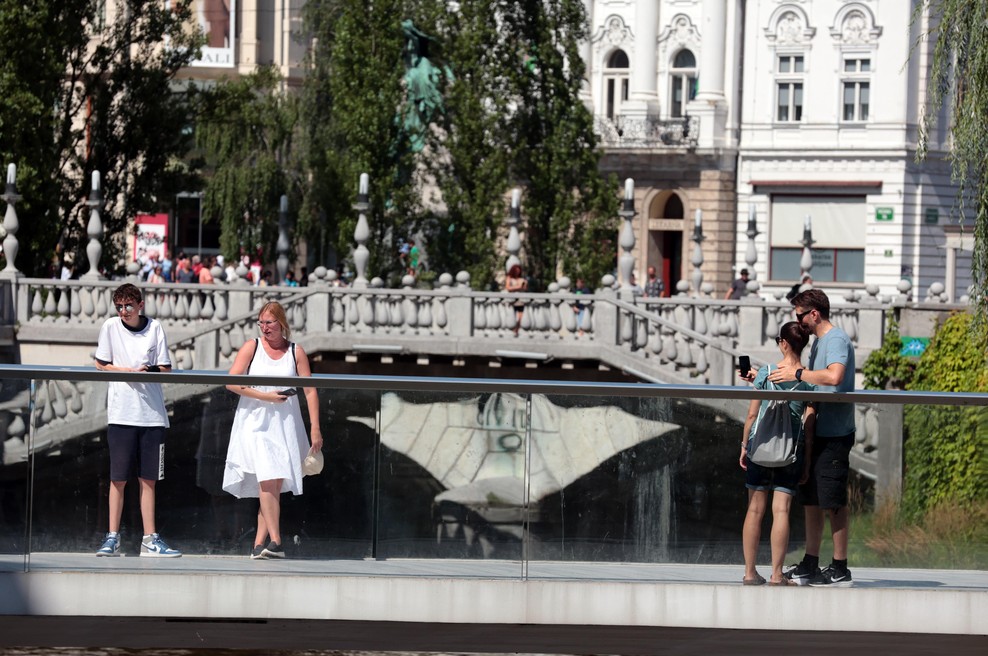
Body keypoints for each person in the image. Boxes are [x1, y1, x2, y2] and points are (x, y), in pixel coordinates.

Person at [222, 301, 323, 560]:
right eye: (261, 323)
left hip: (285, 423)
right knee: (267, 480)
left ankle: (258, 545)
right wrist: (265, 396)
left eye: (269, 322)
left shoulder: (295, 352)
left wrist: (315, 428)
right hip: (256, 423)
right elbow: (231, 382)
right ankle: (277, 541)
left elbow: (310, 391)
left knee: (273, 485)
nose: (265, 328)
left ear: (281, 323)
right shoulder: (252, 347)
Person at [769, 288, 856, 587]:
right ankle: (810, 562)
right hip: (817, 430)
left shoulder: (836, 340)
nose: (798, 322)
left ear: (814, 314)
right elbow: (815, 383)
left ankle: (840, 567)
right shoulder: (819, 343)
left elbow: (834, 377)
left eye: (800, 316)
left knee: (833, 501)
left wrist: (798, 374)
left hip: (835, 433)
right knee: (812, 500)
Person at [93, 283, 181, 558]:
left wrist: (148, 370)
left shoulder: (155, 328)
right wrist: (126, 371)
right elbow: (101, 363)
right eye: (119, 306)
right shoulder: (110, 327)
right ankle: (112, 537)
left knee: (149, 479)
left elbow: (165, 368)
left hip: (152, 415)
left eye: (128, 306)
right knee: (117, 478)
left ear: (140, 305)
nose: (123, 311)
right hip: (121, 413)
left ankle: (150, 539)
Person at [739, 321, 816, 585]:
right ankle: (776, 574)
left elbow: (752, 415)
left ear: (783, 343)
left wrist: (744, 445)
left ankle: (750, 573)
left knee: (754, 510)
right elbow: (809, 424)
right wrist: (807, 461)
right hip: (790, 450)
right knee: (781, 510)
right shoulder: (808, 379)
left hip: (760, 447)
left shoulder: (767, 373)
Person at [505, 263, 528, 335]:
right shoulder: (509, 278)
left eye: (519, 271)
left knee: (521, 316)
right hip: (512, 300)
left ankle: (517, 329)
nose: (518, 272)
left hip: (520, 300)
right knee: (512, 316)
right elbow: (508, 287)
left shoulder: (521, 279)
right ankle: (512, 329)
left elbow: (525, 289)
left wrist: (524, 285)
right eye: (516, 270)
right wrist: (518, 287)